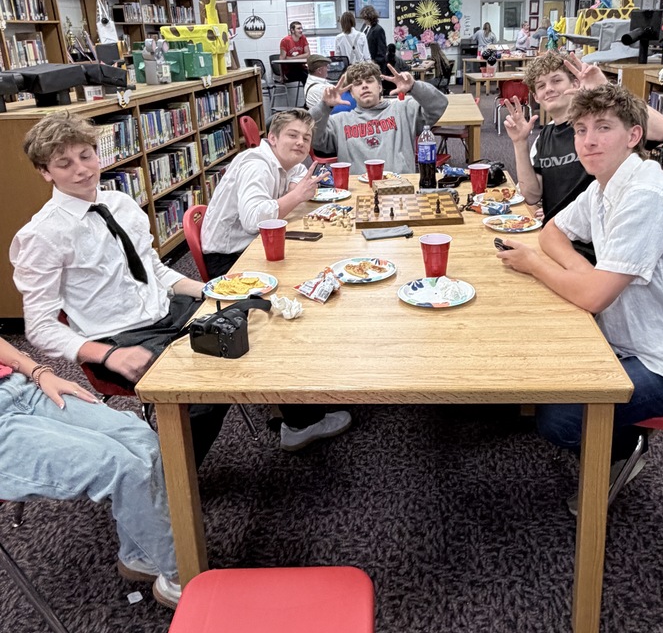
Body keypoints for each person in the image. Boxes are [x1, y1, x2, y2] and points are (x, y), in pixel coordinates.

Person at [11, 113, 350, 456]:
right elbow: (39, 327)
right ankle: (170, 486)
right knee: (204, 389)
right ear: (45, 172)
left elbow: (154, 271)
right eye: (64, 164)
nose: (82, 170)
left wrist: (211, 290)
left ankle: (299, 422)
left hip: (169, 312)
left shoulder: (121, 204)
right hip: (118, 337)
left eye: (86, 156)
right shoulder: (41, 235)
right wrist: (108, 354)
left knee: (268, 320)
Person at [497, 84, 663, 503]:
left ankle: (622, 454)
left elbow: (590, 297)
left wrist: (539, 266)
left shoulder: (646, 195)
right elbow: (552, 232)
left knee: (559, 419)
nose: (588, 141)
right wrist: (585, 273)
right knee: (537, 366)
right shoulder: (605, 183)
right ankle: (620, 429)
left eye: (603, 128)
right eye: (581, 129)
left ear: (633, 136)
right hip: (632, 337)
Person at [0, 335, 181, 608]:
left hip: (15, 389)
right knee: (120, 466)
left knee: (141, 438)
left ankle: (143, 556)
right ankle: (182, 576)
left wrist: (39, 372)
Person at [503, 52, 663, 243]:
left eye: (556, 80)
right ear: (536, 96)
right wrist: (519, 142)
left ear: (575, 83)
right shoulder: (544, 137)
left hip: (600, 241)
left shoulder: (604, 127)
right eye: (541, 86)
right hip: (557, 238)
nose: (549, 89)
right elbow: (531, 196)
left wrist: (604, 88)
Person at [201, 108, 322, 277]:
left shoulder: (283, 159)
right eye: (293, 135)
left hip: (255, 244)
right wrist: (296, 196)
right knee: (309, 270)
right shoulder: (256, 165)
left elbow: (300, 170)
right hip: (230, 259)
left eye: (306, 138)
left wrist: (294, 186)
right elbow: (253, 221)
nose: (300, 142)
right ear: (272, 138)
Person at [309, 61, 449, 174]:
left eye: (369, 81)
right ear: (351, 93)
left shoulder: (404, 109)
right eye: (357, 84)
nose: (364, 86)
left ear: (380, 87)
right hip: (357, 191)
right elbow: (314, 140)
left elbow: (439, 105)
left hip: (399, 188)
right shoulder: (338, 121)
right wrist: (324, 106)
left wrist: (414, 87)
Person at [359, 5, 387, 72]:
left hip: (374, 66)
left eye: (365, 18)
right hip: (364, 65)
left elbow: (382, 51)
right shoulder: (363, 27)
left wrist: (372, 63)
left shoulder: (378, 30)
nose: (364, 20)